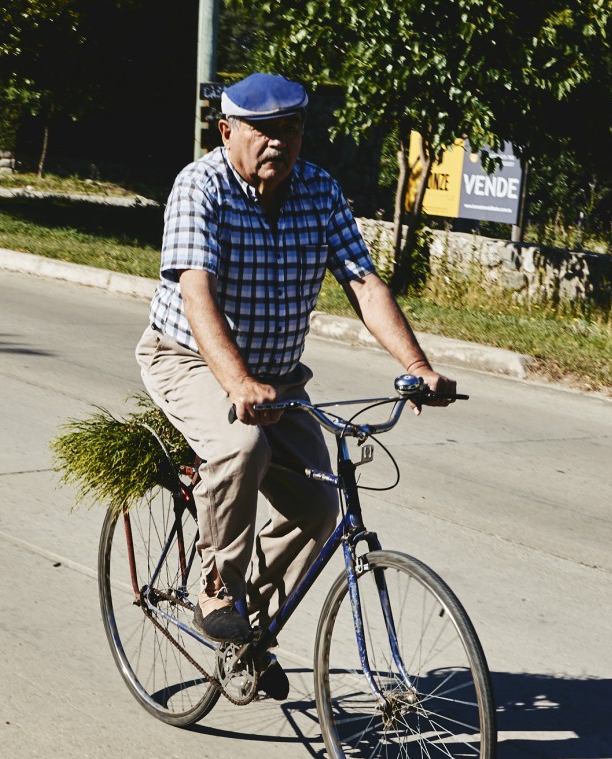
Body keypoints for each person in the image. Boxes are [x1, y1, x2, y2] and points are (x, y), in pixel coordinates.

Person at [135, 73, 456, 700]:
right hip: (190, 360)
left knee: (318, 502)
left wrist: (419, 366)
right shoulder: (199, 187)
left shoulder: (320, 190)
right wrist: (237, 383)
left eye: (293, 129)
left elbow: (362, 282)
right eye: (265, 130)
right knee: (240, 448)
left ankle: (247, 635)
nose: (281, 142)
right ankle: (216, 589)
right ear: (227, 130)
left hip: (278, 381)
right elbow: (195, 292)